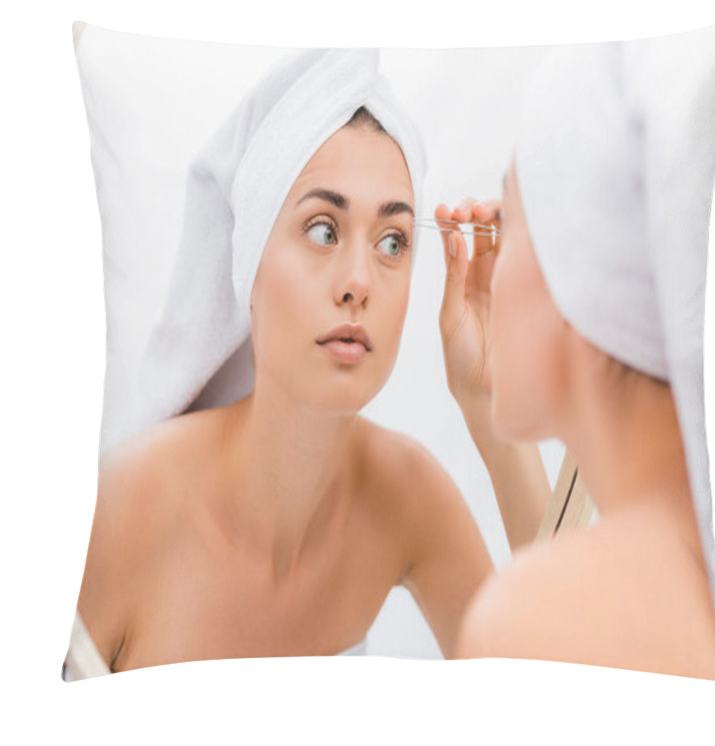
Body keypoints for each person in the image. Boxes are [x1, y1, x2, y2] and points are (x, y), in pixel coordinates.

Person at [65, 49, 550, 678]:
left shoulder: (406, 498)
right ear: (250, 268)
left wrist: (493, 412)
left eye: (392, 241)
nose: (358, 282)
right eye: (323, 230)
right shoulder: (121, 515)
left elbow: (567, 690)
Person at [434, 35, 715, 681]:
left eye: (509, 219)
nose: (489, 261)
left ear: (580, 278)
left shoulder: (532, 625)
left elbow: (564, 625)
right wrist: (486, 408)